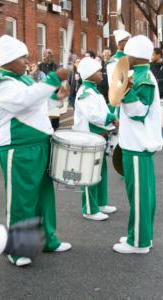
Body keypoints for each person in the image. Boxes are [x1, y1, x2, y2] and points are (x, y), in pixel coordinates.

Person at [0, 35, 71, 267]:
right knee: (23, 199)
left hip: (39, 145)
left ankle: (48, 240)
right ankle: (18, 249)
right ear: (9, 60)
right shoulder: (2, 84)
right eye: (22, 57)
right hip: (18, 148)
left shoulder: (22, 79)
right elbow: (24, 101)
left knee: (44, 195)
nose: (27, 61)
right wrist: (54, 79)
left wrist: (56, 98)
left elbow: (38, 104)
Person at [112, 35, 163, 254]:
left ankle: (139, 242)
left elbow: (138, 112)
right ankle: (141, 235)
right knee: (142, 195)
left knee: (139, 196)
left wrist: (126, 92)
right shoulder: (143, 74)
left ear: (134, 56)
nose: (124, 58)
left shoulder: (143, 78)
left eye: (127, 54)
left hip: (137, 146)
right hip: (137, 145)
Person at [73, 57, 117, 221]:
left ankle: (101, 202)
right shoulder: (86, 92)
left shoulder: (93, 91)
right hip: (89, 138)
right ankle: (90, 209)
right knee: (89, 174)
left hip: (98, 138)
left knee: (101, 171)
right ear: (90, 74)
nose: (101, 73)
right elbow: (93, 115)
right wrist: (112, 116)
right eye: (98, 71)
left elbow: (101, 110)